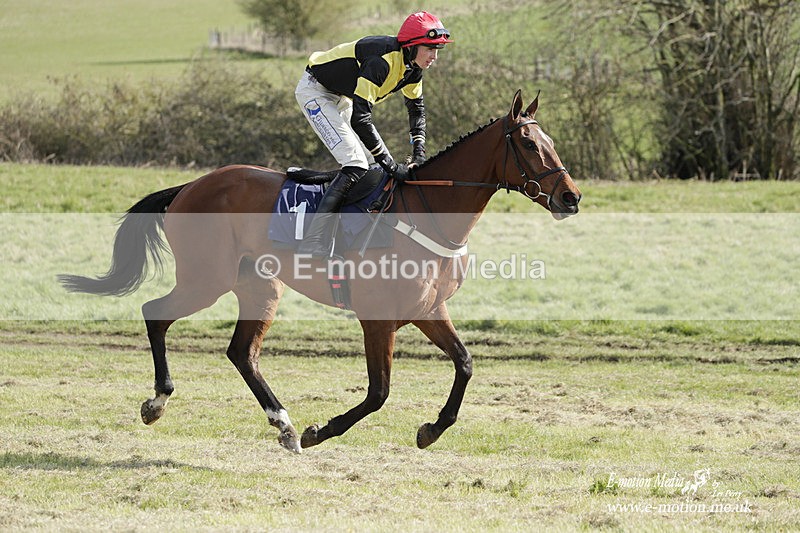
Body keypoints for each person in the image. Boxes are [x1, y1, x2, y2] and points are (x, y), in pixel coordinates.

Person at [294, 11, 453, 257]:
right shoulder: (382, 62)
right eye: (430, 48)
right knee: (357, 163)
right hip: (316, 92)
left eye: (437, 50)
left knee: (370, 167)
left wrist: (418, 153)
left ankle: (350, 228)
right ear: (411, 46)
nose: (435, 56)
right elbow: (361, 117)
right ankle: (313, 240)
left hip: (340, 96)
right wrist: (390, 163)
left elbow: (416, 110)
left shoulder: (413, 69)